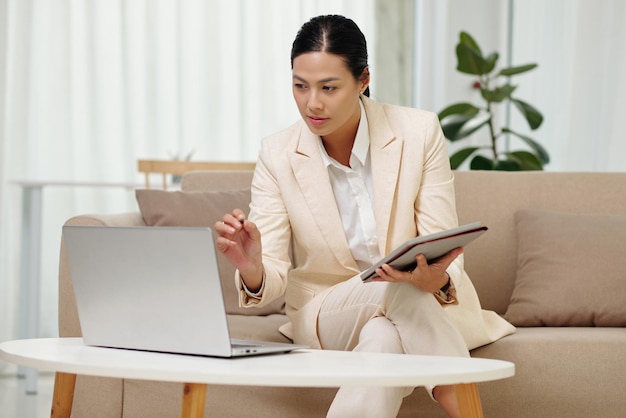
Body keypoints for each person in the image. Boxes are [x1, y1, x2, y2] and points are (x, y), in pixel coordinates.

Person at [215, 14, 515, 418]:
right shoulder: (278, 153)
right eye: (300, 86)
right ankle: (468, 410)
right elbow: (268, 280)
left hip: (415, 301)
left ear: (363, 80)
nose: (312, 103)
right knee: (396, 287)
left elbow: (442, 239)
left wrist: (437, 278)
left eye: (329, 87)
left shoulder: (418, 131)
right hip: (326, 312)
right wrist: (253, 269)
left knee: (382, 339)